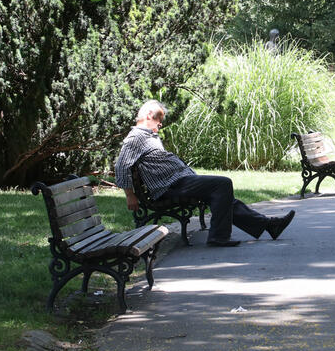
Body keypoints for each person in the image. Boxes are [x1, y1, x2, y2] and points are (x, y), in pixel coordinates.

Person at [114, 100, 295, 247]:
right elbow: (121, 166)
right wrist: (130, 195)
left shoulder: (147, 136)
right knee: (222, 184)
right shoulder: (136, 137)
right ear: (148, 115)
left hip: (178, 182)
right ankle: (218, 237)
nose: (161, 123)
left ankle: (269, 226)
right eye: (159, 119)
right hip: (170, 187)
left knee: (222, 196)